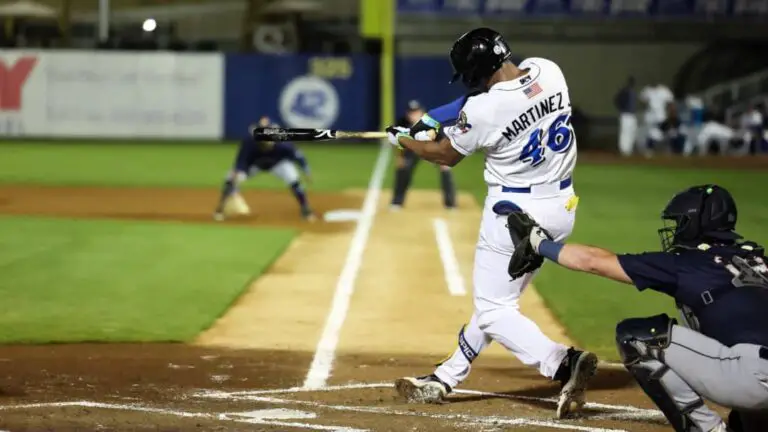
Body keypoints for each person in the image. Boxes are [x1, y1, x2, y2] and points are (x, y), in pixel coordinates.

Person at [385, 27, 598, 419]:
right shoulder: (548, 70)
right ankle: (444, 378)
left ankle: (562, 362)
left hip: (513, 218)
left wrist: (404, 140)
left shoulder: (485, 110)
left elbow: (445, 154)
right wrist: (434, 117)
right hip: (561, 207)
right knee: (496, 299)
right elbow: (481, 101)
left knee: (494, 309)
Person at [504, 184, 768, 432]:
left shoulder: (690, 262)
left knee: (637, 336)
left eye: (680, 223)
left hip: (752, 378)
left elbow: (594, 261)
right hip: (753, 377)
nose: (676, 231)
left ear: (696, 223)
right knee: (744, 421)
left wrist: (538, 243)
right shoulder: (758, 260)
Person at [213, 115, 315, 221]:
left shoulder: (283, 143)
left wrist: (306, 170)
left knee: (293, 178)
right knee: (231, 178)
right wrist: (237, 172)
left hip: (278, 163)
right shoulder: (250, 142)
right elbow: (241, 161)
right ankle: (220, 208)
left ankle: (305, 208)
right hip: (255, 164)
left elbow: (297, 155)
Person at [391, 100, 457, 211]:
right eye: (411, 112)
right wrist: (400, 157)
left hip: (432, 148)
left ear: (422, 112)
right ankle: (397, 202)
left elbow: (442, 141)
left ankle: (450, 204)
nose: (413, 115)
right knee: (403, 168)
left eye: (416, 112)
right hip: (411, 149)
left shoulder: (431, 123)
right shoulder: (402, 123)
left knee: (446, 169)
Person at [639, 81, 675, 156]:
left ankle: (667, 149)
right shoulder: (647, 90)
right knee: (652, 133)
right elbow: (642, 101)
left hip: (661, 116)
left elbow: (670, 103)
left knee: (668, 132)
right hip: (650, 117)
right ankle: (650, 150)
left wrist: (671, 115)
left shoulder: (664, 90)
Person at [614, 76, 638, 156]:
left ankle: (629, 149)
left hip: (632, 114)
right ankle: (623, 149)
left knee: (632, 131)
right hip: (625, 114)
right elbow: (617, 100)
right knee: (625, 132)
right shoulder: (624, 91)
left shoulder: (633, 92)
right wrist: (621, 108)